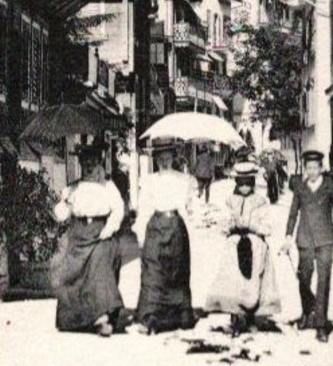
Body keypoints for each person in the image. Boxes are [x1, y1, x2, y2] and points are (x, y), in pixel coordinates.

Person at [281, 149, 333, 342]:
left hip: (325, 240)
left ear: (321, 168)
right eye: (309, 167)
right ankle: (307, 314)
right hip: (305, 240)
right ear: (306, 169)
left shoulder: (329, 186)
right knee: (304, 279)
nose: (312, 171)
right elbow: (293, 213)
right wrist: (288, 237)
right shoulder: (300, 186)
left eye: (315, 167)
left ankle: (321, 325)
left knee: (324, 282)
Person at [51, 146, 125, 336]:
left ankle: (102, 317)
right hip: (78, 236)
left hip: (101, 234)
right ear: (81, 165)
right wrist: (65, 201)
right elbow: (60, 216)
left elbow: (118, 210)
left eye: (93, 163)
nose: (90, 167)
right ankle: (78, 319)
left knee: (100, 267)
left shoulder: (108, 186)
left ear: (99, 164)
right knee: (71, 273)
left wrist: (108, 230)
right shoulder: (72, 188)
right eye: (86, 164)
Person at [206, 161, 282, 335]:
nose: (245, 187)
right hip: (234, 245)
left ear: (253, 183)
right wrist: (231, 225)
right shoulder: (230, 201)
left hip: (255, 245)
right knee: (234, 280)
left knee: (253, 281)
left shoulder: (261, 202)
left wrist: (254, 226)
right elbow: (222, 224)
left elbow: (268, 227)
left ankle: (251, 315)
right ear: (236, 183)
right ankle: (235, 314)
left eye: (248, 183)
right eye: (241, 183)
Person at [134, 142, 196, 334]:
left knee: (177, 270)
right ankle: (150, 316)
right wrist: (140, 233)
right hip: (155, 226)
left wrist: (191, 227)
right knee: (153, 271)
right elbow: (144, 208)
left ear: (174, 157)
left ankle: (180, 314)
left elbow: (192, 208)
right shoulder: (149, 181)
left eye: (168, 157)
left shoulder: (185, 180)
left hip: (176, 226)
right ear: (156, 159)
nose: (164, 161)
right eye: (160, 157)